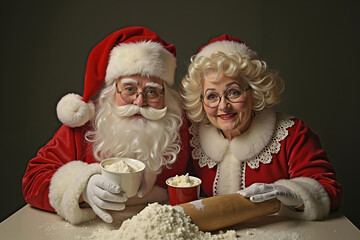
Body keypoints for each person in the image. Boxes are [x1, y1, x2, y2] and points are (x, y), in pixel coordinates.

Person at [22, 26, 190, 224]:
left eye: (151, 92)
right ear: (113, 90)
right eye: (129, 89)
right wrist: (82, 189)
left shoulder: (178, 125)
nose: (139, 102)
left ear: (164, 95)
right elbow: (33, 180)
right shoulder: (84, 124)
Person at [179, 34, 341, 220]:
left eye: (234, 92)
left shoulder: (292, 133)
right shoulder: (193, 138)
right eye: (212, 96)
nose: (223, 106)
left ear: (254, 94)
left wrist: (292, 193)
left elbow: (330, 191)